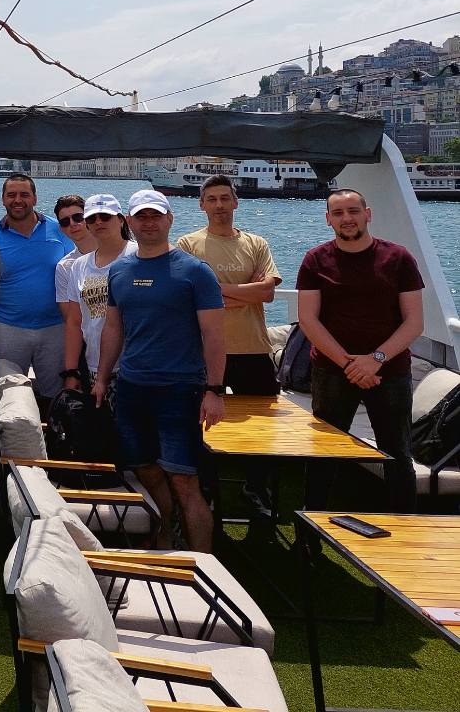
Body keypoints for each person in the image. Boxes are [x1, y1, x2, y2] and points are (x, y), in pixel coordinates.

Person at [93, 189, 226, 552]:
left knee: (184, 481)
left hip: (180, 390)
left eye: (156, 215)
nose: (149, 223)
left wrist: (215, 390)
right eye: (141, 216)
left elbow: (214, 335)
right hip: (132, 387)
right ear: (129, 222)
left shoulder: (196, 271)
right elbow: (113, 328)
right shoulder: (119, 270)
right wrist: (102, 379)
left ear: (169, 219)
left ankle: (203, 566)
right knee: (144, 468)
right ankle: (166, 532)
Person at [297, 188, 424, 516]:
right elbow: (308, 320)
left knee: (397, 454)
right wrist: (350, 364)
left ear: (367, 214)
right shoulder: (315, 260)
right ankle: (310, 532)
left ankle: (405, 530)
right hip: (331, 371)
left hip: (390, 373)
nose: (347, 218)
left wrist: (375, 360)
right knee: (324, 452)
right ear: (328, 220)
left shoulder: (398, 258)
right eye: (338, 213)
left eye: (353, 211)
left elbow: (414, 322)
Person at [176, 175, 281, 519]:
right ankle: (205, 490)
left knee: (261, 427)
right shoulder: (188, 244)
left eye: (225, 198)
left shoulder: (256, 243)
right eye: (212, 199)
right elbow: (187, 295)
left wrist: (215, 291)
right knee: (200, 423)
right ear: (201, 205)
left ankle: (256, 487)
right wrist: (245, 292)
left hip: (253, 350)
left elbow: (267, 292)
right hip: (205, 350)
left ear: (236, 202)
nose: (219, 205)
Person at [0, 173, 73, 400]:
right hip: (7, 328)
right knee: (7, 395)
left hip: (56, 328)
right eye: (11, 195)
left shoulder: (60, 230)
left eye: (24, 195)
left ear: (35, 198)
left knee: (57, 395)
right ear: (3, 199)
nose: (18, 200)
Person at [61, 195, 136, 391]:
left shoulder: (138, 254)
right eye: (92, 219)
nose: (99, 222)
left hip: (136, 365)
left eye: (105, 216)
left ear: (121, 220)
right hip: (94, 365)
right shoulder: (79, 266)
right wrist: (71, 371)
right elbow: (74, 322)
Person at [53, 194, 96, 320]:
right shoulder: (64, 267)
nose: (72, 224)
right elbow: (71, 319)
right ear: (62, 229)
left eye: (78, 217)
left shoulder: (120, 252)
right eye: (65, 222)